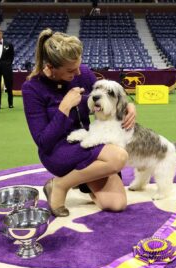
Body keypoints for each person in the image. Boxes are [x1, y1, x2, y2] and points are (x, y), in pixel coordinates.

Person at [22, 29, 137, 217]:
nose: (77, 73)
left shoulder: (81, 72)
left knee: (116, 204)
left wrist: (128, 105)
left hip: (90, 142)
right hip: (58, 152)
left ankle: (80, 177)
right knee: (118, 157)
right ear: (51, 66)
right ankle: (60, 185)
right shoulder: (32, 88)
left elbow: (106, 96)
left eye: (79, 66)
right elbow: (43, 142)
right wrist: (64, 108)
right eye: (70, 70)